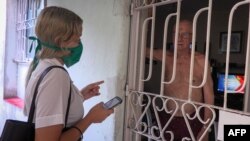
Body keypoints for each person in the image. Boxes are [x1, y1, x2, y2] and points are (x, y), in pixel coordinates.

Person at [24, 6, 114, 141]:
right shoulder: (55, 75)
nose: (79, 45)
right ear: (60, 42)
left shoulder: (43, 65)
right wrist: (90, 118)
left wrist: (80, 96)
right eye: (77, 40)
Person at [146, 20, 214, 141]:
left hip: (193, 120)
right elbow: (142, 50)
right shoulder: (166, 57)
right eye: (175, 34)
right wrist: (147, 20)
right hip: (167, 119)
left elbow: (209, 97)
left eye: (185, 34)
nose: (179, 38)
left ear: (192, 37)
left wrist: (206, 129)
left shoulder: (201, 61)